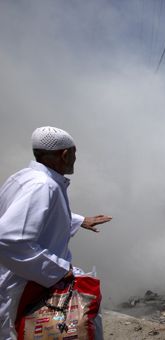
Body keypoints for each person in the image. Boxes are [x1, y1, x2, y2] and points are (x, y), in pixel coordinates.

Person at [0, 126, 112, 339]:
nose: (75, 159)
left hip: (26, 283)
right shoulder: (42, 185)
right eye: (74, 153)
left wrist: (78, 220)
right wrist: (58, 270)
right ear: (65, 154)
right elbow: (9, 240)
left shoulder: (24, 178)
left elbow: (34, 217)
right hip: (24, 287)